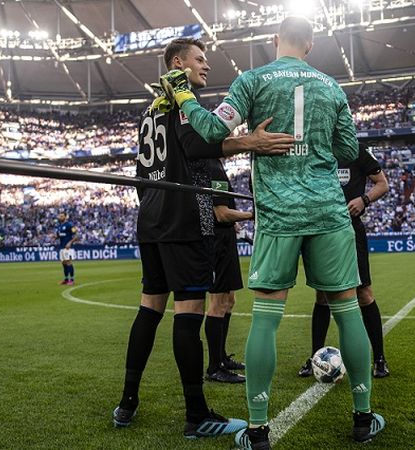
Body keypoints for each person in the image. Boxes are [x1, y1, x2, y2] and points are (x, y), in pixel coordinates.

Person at [168, 16, 386, 449]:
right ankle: (363, 418)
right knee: (348, 310)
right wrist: (317, 142)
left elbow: (210, 130)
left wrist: (183, 95)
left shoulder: (252, 80)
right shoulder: (331, 86)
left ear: (275, 41)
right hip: (327, 211)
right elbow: (348, 150)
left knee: (266, 320)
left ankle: (258, 428)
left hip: (279, 214)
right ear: (310, 44)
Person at [112, 37, 294, 439]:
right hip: (183, 219)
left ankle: (127, 402)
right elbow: (196, 143)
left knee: (149, 308)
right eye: (200, 59)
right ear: (178, 63)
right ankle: (196, 416)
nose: (206, 66)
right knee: (189, 311)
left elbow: (147, 168)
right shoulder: (180, 98)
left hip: (152, 217)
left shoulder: (151, 108)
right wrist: (249, 142)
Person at [298, 145, 390, 378]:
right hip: (320, 230)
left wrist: (364, 199)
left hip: (350, 230)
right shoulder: (313, 149)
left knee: (363, 293)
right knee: (322, 294)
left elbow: (383, 183)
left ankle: (379, 359)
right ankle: (314, 358)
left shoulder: (355, 150)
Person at [204, 157, 252, 384]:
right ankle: (214, 367)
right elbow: (221, 214)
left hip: (225, 237)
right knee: (217, 303)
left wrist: (236, 223)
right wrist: (254, 214)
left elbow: (223, 211)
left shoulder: (216, 166)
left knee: (229, 300)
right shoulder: (212, 166)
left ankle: (221, 357)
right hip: (216, 240)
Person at [55, 213, 78, 285]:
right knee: (64, 263)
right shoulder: (59, 226)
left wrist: (70, 242)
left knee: (69, 262)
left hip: (68, 247)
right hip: (62, 247)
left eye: (62, 216)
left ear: (65, 217)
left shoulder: (70, 225)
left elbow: (76, 235)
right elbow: (59, 236)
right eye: (60, 216)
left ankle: (72, 280)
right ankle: (66, 279)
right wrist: (54, 237)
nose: (60, 217)